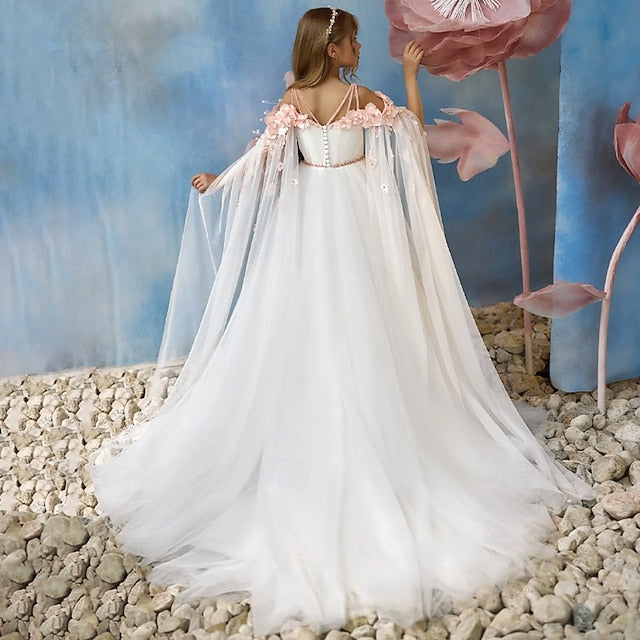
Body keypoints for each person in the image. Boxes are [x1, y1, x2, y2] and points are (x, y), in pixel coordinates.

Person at [89, 7, 594, 636]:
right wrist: (409, 79)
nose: (359, 46)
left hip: (309, 216)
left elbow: (265, 160)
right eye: (352, 39)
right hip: (354, 218)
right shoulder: (364, 98)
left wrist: (222, 180)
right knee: (362, 313)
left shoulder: (296, 100)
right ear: (333, 49)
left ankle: (320, 408)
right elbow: (409, 138)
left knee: (308, 312)